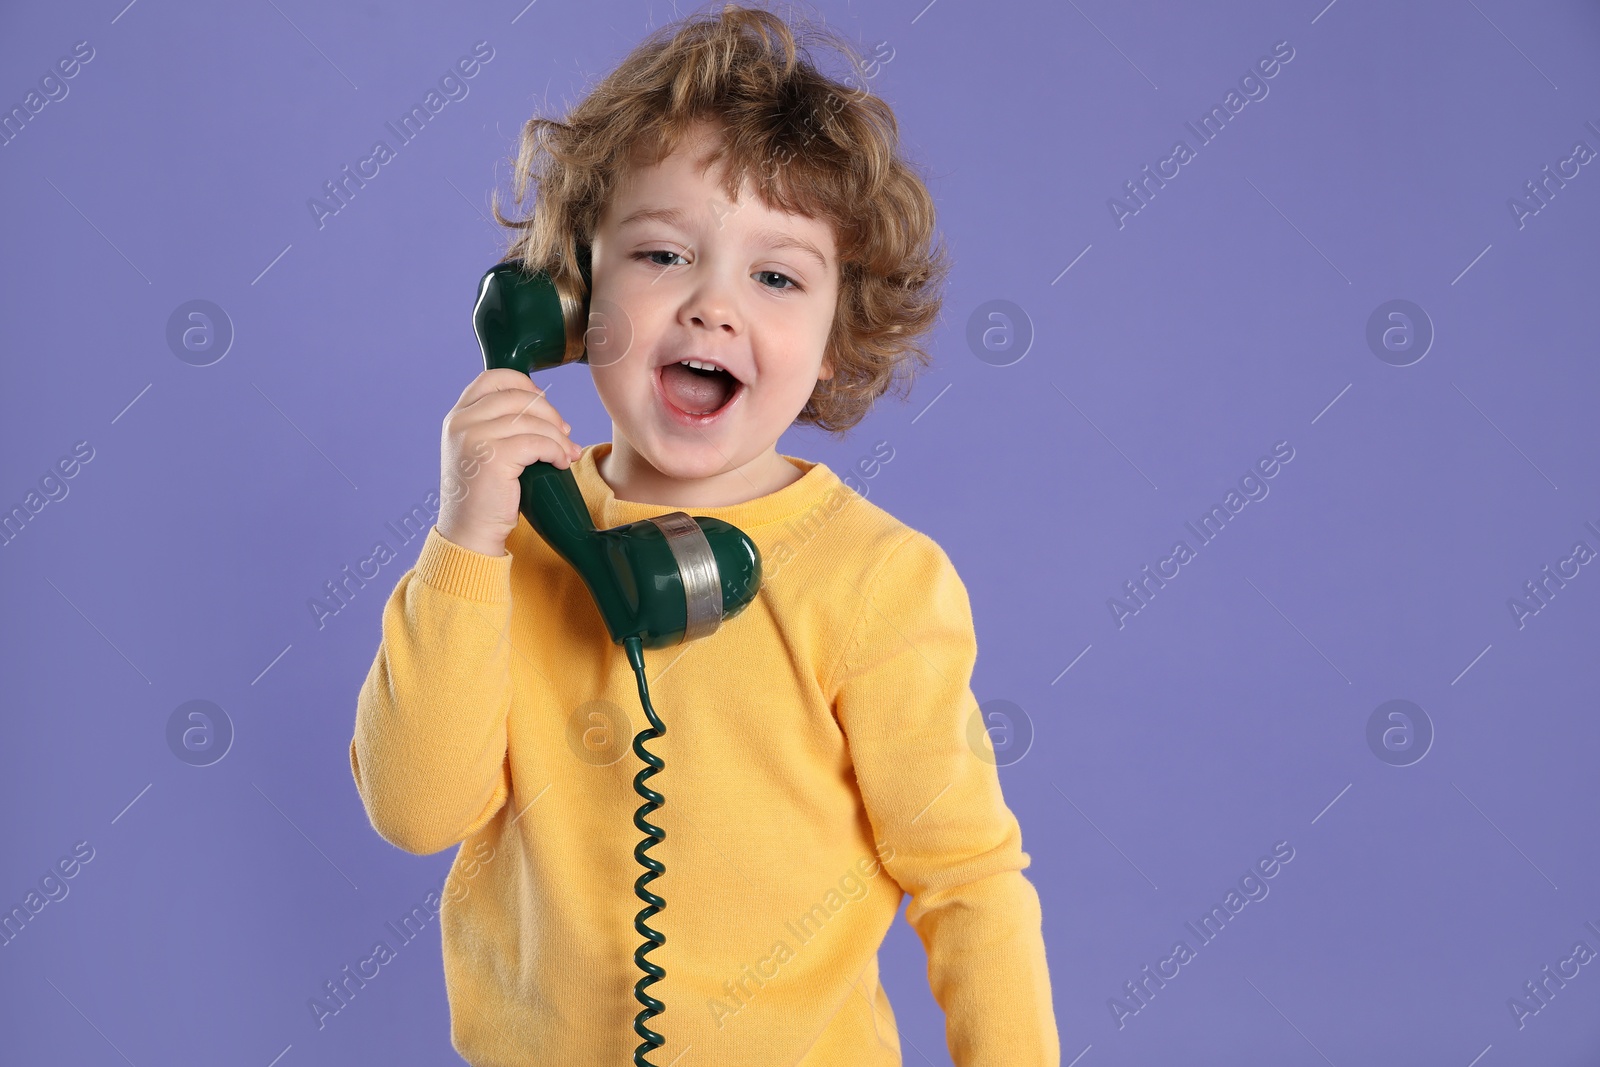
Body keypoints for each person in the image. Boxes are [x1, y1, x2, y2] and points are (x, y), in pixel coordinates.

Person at [349, 3, 1059, 1063]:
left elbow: (966, 881)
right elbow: (414, 808)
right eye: (664, 254)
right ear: (573, 294)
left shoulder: (876, 582)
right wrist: (466, 542)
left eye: (775, 276)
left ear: (832, 338)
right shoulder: (510, 543)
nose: (712, 308)